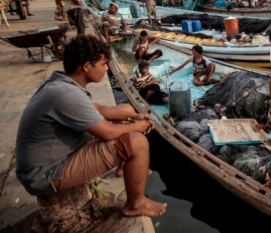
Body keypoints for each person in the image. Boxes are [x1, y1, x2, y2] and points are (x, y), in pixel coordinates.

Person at [15, 35, 166, 217]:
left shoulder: (64, 83)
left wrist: (134, 115)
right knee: (138, 142)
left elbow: (98, 109)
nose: (105, 68)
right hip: (44, 173)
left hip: (50, 160)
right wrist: (137, 126)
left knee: (125, 108)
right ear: (87, 66)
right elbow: (107, 133)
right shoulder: (67, 94)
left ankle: (123, 167)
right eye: (103, 64)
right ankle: (135, 204)